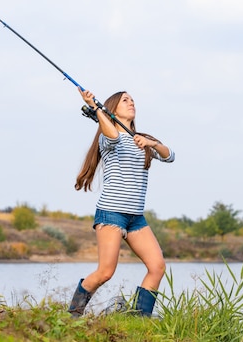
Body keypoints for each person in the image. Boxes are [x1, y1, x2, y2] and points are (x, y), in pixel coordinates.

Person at [68, 87, 175, 317]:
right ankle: (73, 315)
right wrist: (97, 110)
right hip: (112, 213)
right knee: (106, 272)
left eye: (133, 100)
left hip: (136, 217)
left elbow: (170, 156)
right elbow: (113, 135)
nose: (131, 102)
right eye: (125, 100)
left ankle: (137, 319)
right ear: (113, 109)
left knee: (157, 267)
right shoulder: (108, 139)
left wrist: (151, 143)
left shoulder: (142, 141)